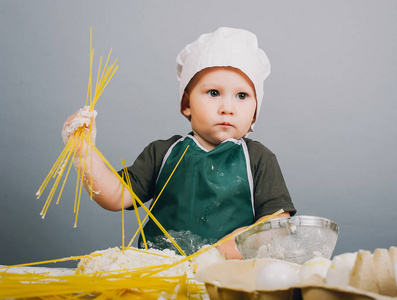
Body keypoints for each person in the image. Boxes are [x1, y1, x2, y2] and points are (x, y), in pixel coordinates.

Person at [62, 27, 296, 259]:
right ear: (186, 104)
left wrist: (244, 240)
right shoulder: (163, 153)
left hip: (227, 278)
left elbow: (277, 221)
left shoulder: (259, 159)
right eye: (213, 93)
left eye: (242, 96)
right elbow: (115, 195)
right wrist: (84, 155)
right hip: (159, 272)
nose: (228, 108)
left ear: (255, 111)